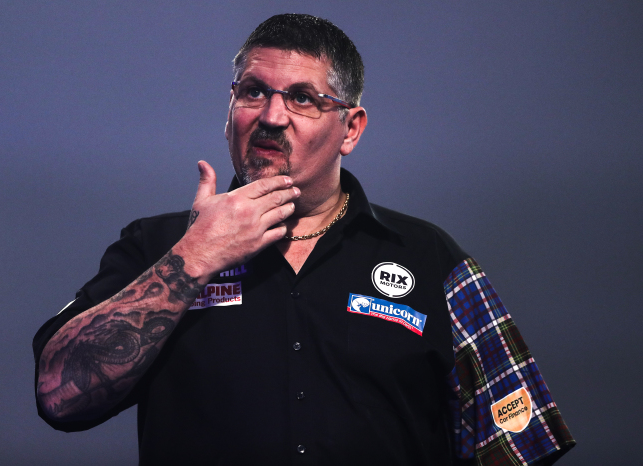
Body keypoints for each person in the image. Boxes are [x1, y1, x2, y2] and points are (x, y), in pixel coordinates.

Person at [33, 13, 575, 465]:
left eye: (302, 99)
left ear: (350, 129)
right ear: (230, 108)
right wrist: (195, 256)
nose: (271, 117)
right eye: (253, 92)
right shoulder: (158, 246)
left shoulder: (430, 258)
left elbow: (516, 447)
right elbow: (58, 395)